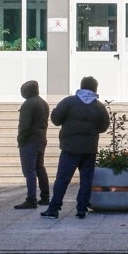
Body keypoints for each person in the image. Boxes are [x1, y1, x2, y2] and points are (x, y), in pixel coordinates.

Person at [41, 76, 110, 220]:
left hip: (70, 147)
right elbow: (104, 127)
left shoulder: (69, 102)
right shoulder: (99, 107)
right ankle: (81, 209)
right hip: (89, 149)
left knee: (62, 179)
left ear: (81, 86)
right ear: (95, 89)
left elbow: (55, 119)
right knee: (86, 179)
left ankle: (54, 209)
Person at [14, 80, 50, 210]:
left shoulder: (28, 104)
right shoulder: (43, 103)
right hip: (41, 139)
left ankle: (31, 199)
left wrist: (20, 139)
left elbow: (25, 125)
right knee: (40, 168)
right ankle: (45, 197)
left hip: (29, 141)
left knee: (29, 171)